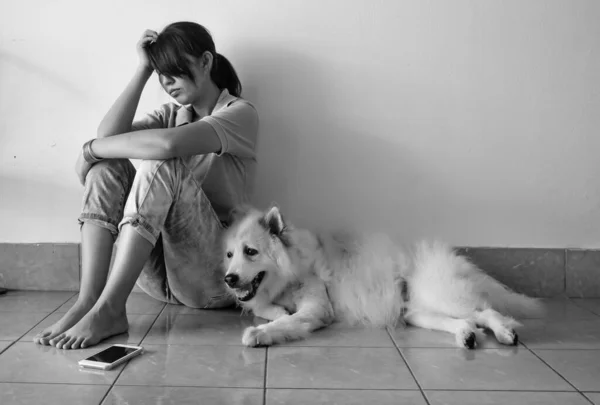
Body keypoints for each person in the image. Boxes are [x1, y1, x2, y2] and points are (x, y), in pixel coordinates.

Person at [33, 21, 259, 350]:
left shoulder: (240, 113)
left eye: (174, 71)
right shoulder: (173, 114)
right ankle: (91, 301)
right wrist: (142, 69)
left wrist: (88, 150)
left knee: (157, 159)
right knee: (108, 165)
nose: (166, 82)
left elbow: (166, 147)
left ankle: (109, 309)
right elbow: (108, 138)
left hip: (216, 277)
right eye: (159, 73)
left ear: (205, 61)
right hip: (161, 278)